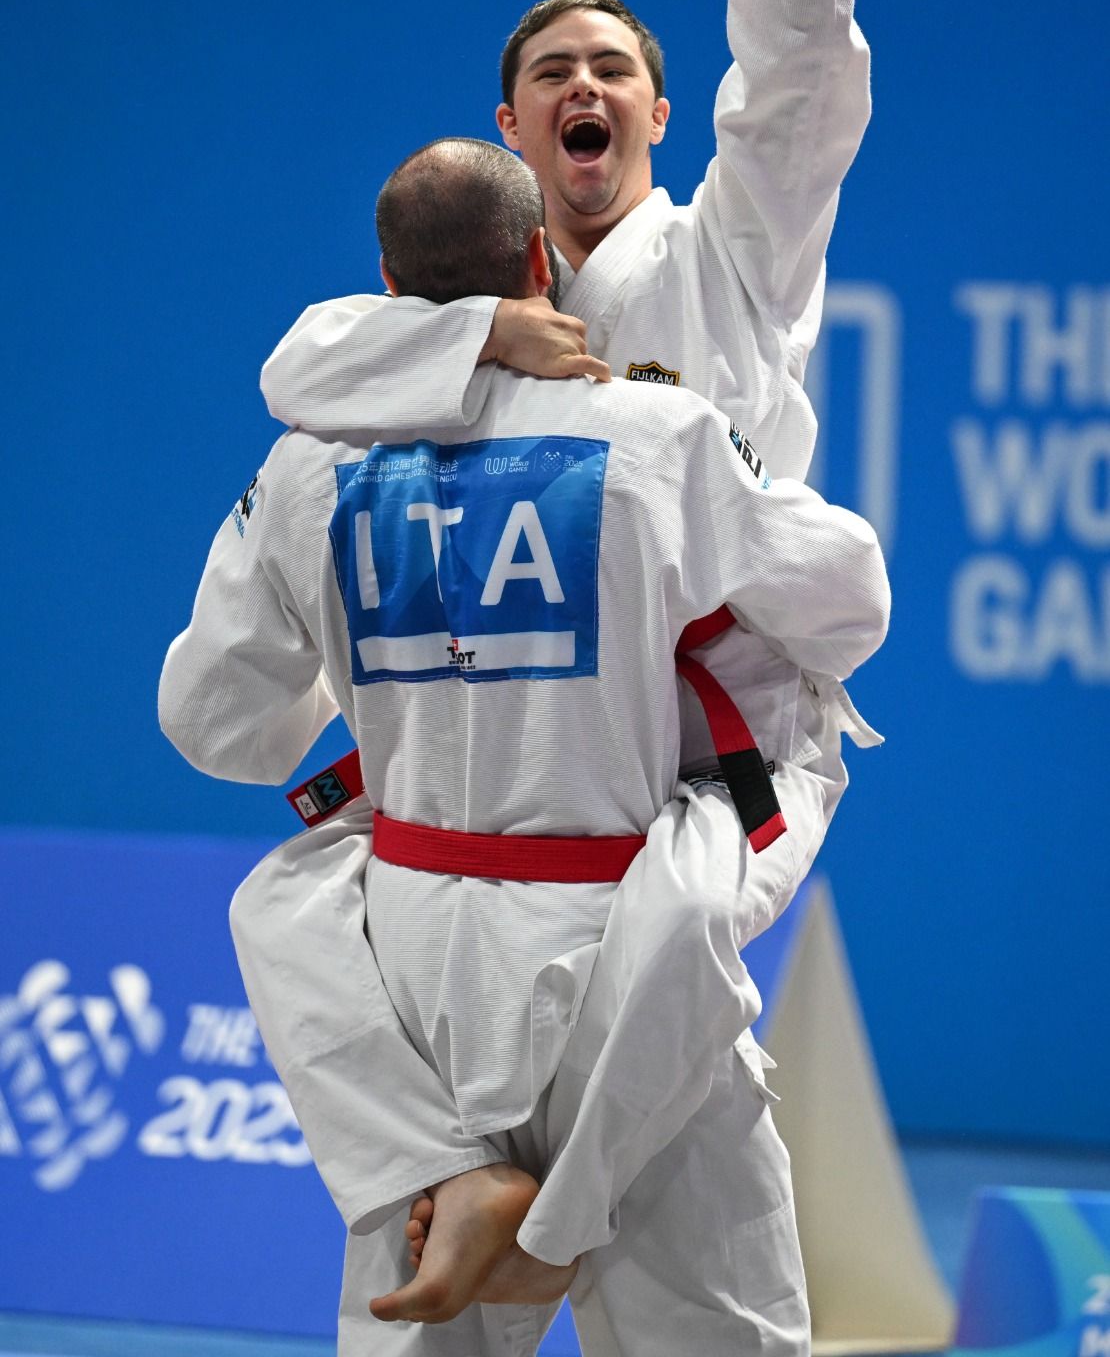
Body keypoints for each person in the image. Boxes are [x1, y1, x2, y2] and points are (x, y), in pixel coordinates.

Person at [229, 0, 877, 1282]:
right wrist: (477, 334)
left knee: (674, 939)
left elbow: (793, 98)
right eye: (551, 74)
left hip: (711, 735)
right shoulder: (446, 311)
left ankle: (545, 1228)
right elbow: (300, 366)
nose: (583, 87)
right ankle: (451, 1177)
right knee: (312, 906)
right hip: (517, 745)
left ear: (657, 110)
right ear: (510, 128)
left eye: (610, 68)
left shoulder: (727, 255)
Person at [161, 137, 890, 1357]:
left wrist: (390, 665)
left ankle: (460, 1183)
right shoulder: (658, 430)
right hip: (625, 949)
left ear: (388, 293)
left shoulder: (303, 468)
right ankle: (550, 1218)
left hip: (414, 969)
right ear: (542, 263)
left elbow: (218, 725)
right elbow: (849, 607)